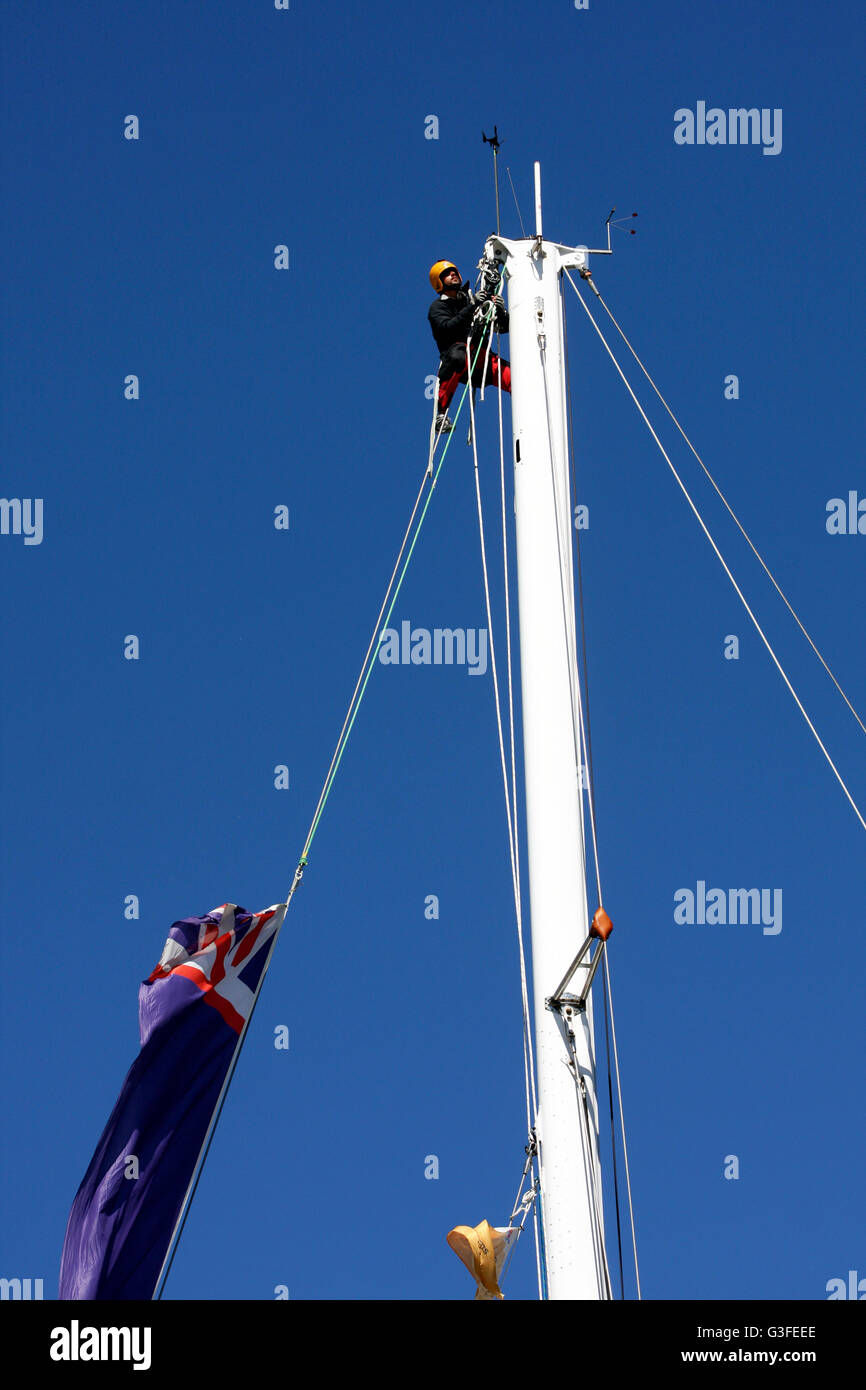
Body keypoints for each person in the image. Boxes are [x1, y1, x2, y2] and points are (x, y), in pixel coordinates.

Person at [427, 260, 511, 434]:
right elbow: (447, 328)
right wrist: (472, 306)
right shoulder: (438, 307)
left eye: (454, 272)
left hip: (480, 359)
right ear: (439, 282)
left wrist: (499, 311)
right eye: (447, 274)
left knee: (516, 377)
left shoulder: (469, 298)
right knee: (459, 354)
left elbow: (502, 328)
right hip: (458, 361)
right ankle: (441, 414)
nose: (453, 275)